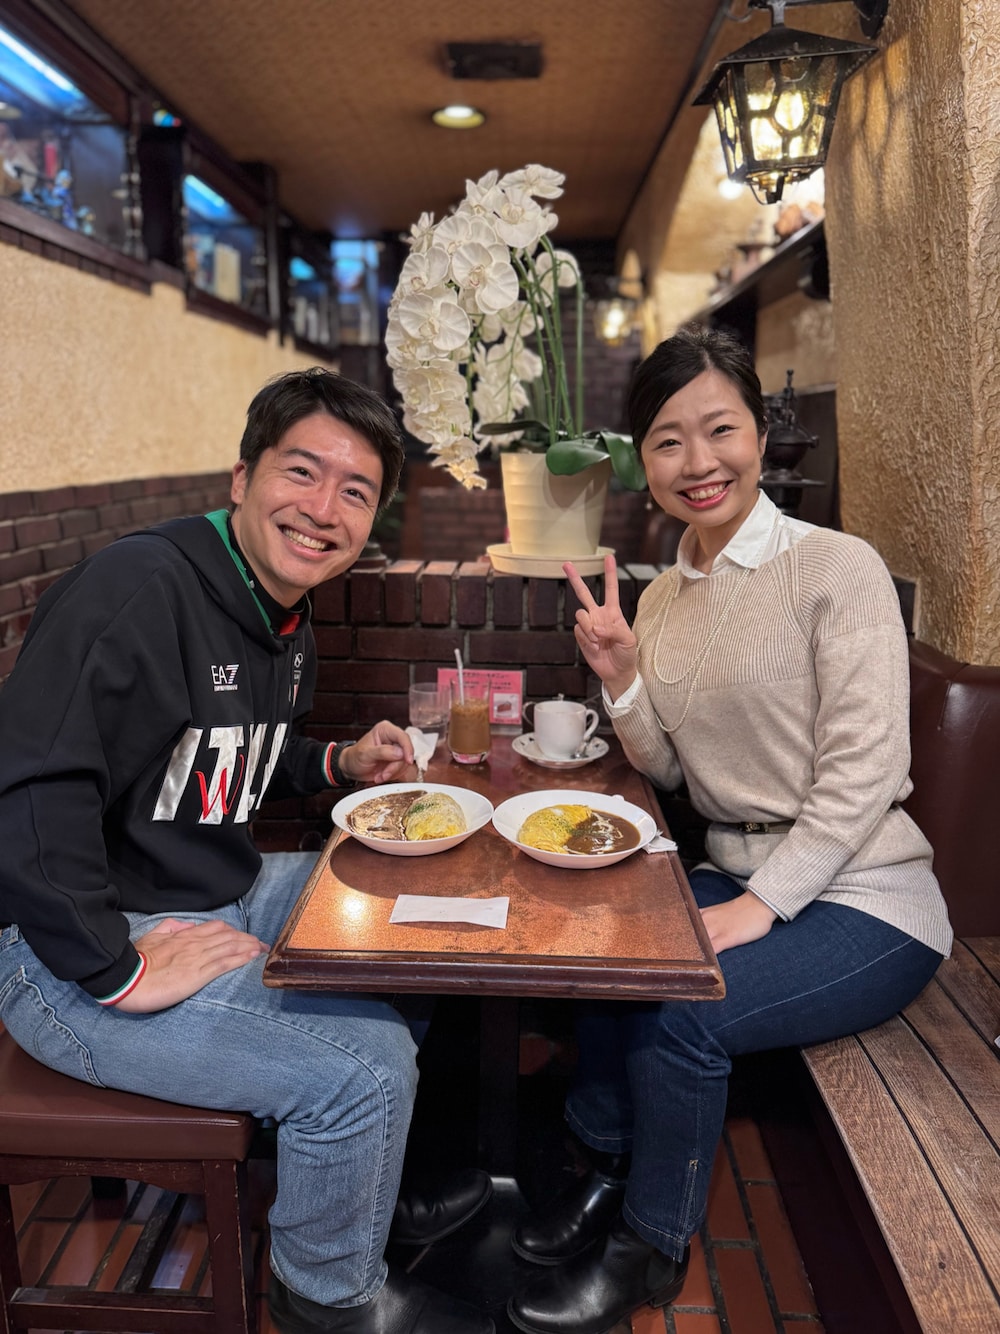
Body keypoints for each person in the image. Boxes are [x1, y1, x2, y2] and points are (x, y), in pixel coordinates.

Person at [0, 368, 495, 1334]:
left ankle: (353, 1178)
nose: (323, 508)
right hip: (62, 950)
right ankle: (325, 1298)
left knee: (412, 911)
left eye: (355, 491)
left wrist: (334, 761)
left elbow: (222, 758)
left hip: (205, 887)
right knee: (364, 1066)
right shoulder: (142, 588)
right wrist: (115, 969)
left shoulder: (282, 606)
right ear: (242, 477)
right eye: (301, 472)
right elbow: (26, 790)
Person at [506, 327, 952, 1334]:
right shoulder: (665, 595)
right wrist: (623, 674)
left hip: (868, 895)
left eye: (720, 430)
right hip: (742, 867)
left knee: (685, 1008)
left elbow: (866, 769)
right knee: (617, 955)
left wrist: (761, 904)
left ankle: (650, 1245)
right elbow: (669, 770)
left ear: (760, 435)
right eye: (668, 440)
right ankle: (602, 1168)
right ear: (643, 460)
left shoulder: (834, 566)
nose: (698, 462)